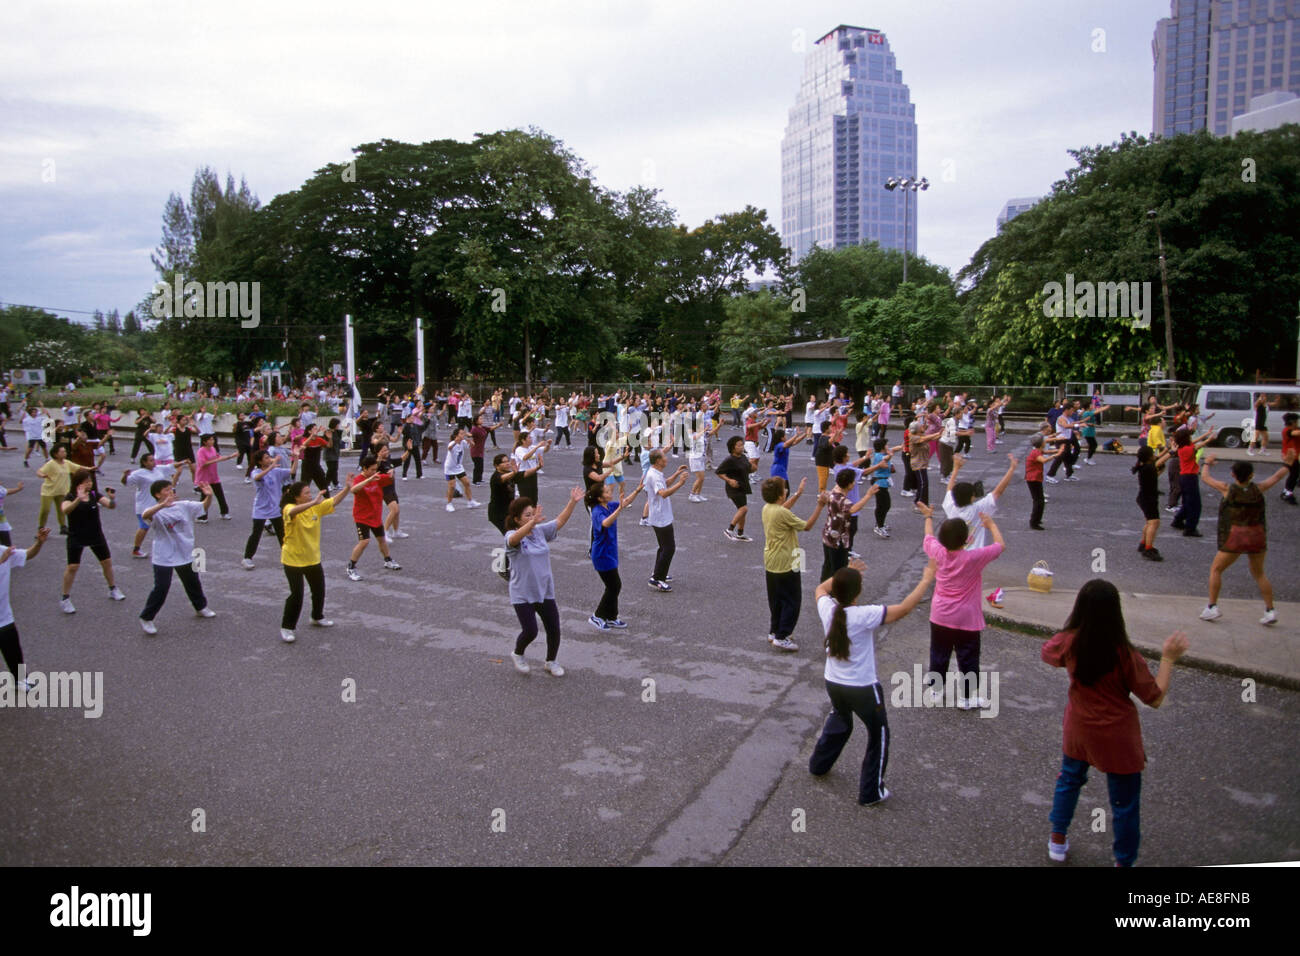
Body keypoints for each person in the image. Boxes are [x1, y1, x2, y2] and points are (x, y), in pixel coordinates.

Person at [1041, 580, 1189, 866]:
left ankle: (1057, 841)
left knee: (1069, 781)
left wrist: (1071, 629)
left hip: (1079, 729)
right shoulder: (1125, 654)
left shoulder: (1070, 641)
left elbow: (1048, 652)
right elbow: (1154, 698)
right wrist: (1169, 659)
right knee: (1125, 804)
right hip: (1117, 736)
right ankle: (1124, 860)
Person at [808, 556, 936, 805]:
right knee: (879, 734)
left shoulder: (828, 609)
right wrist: (926, 579)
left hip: (834, 683)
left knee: (840, 719)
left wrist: (844, 573)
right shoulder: (864, 614)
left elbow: (820, 589)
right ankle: (871, 792)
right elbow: (905, 608)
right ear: (858, 593)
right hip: (863, 688)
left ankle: (818, 765)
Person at [918, 503, 1004, 709]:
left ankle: (936, 690)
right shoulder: (973, 558)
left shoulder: (938, 552)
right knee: (968, 657)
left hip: (940, 615)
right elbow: (1000, 545)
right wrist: (991, 525)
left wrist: (928, 517)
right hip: (966, 618)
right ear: (966, 539)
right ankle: (967, 698)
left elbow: (928, 537)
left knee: (939, 653)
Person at [1198, 451, 1295, 626]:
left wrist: (1207, 463)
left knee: (1217, 569)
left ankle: (1212, 607)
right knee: (1259, 573)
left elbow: (1205, 478)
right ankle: (1270, 610)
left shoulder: (1228, 489)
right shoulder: (1258, 488)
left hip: (1235, 535)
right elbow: (1276, 477)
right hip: (1257, 533)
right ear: (1251, 475)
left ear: (1233, 474)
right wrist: (1288, 464)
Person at [278, 475, 371, 643]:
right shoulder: (289, 508)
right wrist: (313, 502)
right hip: (292, 559)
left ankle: (316, 616)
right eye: (306, 493)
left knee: (319, 589)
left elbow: (333, 502)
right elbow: (291, 512)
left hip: (312, 557)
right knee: (296, 594)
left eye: (309, 492)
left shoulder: (315, 509)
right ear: (296, 496)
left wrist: (347, 488)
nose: (309, 494)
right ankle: (287, 627)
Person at [504, 487, 584, 676]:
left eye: (533, 514)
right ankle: (518, 654)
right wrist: (530, 524)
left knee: (554, 628)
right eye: (527, 515)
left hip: (545, 589)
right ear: (517, 519)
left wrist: (572, 502)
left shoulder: (539, 531)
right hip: (522, 592)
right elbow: (515, 538)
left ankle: (551, 661)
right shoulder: (511, 537)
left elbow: (560, 521)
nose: (532, 517)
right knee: (531, 631)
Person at [138, 480, 217, 635]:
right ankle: (146, 618)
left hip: (185, 552)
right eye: (166, 490)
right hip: (164, 555)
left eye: (171, 489)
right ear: (157, 494)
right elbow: (145, 515)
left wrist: (209, 496)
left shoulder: (184, 505)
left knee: (193, 581)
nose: (171, 492)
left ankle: (200, 607)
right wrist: (162, 505)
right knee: (161, 587)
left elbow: (203, 507)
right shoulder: (155, 511)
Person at [760, 476, 826, 652]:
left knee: (776, 599)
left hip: (771, 559)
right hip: (789, 559)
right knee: (793, 600)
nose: (786, 491)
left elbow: (783, 510)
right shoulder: (781, 512)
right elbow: (807, 526)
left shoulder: (768, 508)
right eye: (785, 490)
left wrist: (798, 494)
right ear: (780, 495)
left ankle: (774, 631)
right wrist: (820, 505)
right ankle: (783, 636)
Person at [59, 471, 125, 612]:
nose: (89, 484)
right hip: (76, 536)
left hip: (95, 535)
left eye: (90, 481)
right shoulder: (70, 496)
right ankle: (65, 598)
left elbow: (110, 505)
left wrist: (112, 499)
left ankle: (112, 588)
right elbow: (65, 510)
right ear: (78, 483)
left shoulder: (95, 495)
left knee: (106, 562)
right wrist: (78, 499)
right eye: (86, 481)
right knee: (72, 567)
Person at [587, 479, 643, 630]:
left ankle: (611, 617)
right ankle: (597, 616)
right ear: (599, 498)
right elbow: (605, 523)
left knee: (614, 586)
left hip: (610, 553)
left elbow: (624, 502)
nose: (609, 492)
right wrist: (617, 511)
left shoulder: (609, 505)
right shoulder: (597, 511)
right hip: (601, 555)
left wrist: (637, 490)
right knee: (614, 586)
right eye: (606, 491)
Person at [0, 527, 52, 687]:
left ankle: (20, 679)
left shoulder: (3, 551)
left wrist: (39, 543)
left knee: (12, 647)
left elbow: (27, 555)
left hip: (3, 616)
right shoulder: (3, 555)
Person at [942, 453, 1018, 549]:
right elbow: (998, 492)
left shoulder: (951, 507)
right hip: (975, 555)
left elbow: (949, 489)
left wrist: (956, 468)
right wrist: (1012, 469)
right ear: (971, 497)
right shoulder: (978, 509)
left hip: (956, 556)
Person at [820, 468, 880, 581]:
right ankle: (835, 592)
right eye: (853, 481)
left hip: (828, 533)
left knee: (828, 564)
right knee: (839, 567)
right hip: (838, 539)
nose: (854, 483)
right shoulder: (842, 501)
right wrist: (868, 495)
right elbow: (853, 509)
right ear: (849, 485)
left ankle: (824, 588)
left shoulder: (833, 492)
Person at [346, 455, 401, 580]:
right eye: (371, 469)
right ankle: (351, 567)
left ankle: (388, 560)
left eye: (375, 469)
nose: (374, 472)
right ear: (364, 469)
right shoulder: (360, 479)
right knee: (364, 541)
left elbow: (389, 478)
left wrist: (392, 473)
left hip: (375, 515)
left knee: (382, 539)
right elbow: (354, 489)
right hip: (362, 516)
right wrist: (368, 480)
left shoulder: (377, 477)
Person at [242, 450, 297, 569]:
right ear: (260, 461)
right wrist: (271, 467)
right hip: (261, 508)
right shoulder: (255, 472)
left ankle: (289, 557)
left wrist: (296, 458)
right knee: (256, 534)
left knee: (282, 533)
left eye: (269, 457)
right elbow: (257, 477)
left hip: (275, 508)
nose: (269, 459)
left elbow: (292, 471)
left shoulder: (276, 471)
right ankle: (247, 558)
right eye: (266, 458)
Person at [643, 451, 689, 592]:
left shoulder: (655, 472)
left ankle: (658, 573)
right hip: (661, 517)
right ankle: (657, 578)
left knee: (663, 547)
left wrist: (676, 474)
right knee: (669, 548)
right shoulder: (654, 475)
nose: (666, 458)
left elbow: (665, 484)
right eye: (663, 457)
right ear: (657, 461)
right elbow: (663, 493)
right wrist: (680, 483)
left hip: (660, 515)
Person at [36, 443, 97, 534]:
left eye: (65, 451)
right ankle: (41, 528)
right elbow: (39, 471)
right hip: (49, 491)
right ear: (56, 454)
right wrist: (43, 475)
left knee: (61, 510)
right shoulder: (51, 464)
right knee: (45, 510)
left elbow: (78, 468)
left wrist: (89, 469)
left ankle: (63, 526)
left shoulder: (67, 463)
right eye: (62, 451)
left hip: (62, 491)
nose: (65, 453)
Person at [1169, 427, 1216, 537]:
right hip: (1190, 477)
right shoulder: (1187, 449)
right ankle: (1190, 528)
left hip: (1185, 477)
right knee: (1195, 505)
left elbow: (1195, 442)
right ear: (1186, 439)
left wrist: (1207, 434)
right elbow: (1198, 446)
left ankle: (1178, 521)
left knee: (1187, 502)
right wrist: (1209, 440)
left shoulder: (1183, 447)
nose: (1191, 438)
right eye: (1189, 436)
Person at [1132, 444, 1173, 561]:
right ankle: (1148, 549)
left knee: (1150, 522)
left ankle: (1143, 543)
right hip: (1148, 499)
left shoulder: (1145, 466)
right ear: (1149, 457)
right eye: (1152, 454)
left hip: (1145, 498)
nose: (1155, 456)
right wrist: (1171, 452)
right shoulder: (1148, 467)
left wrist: (1166, 450)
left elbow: (1157, 466)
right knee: (1154, 522)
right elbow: (1159, 461)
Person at [716, 435, 756, 541]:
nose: (742, 447)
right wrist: (729, 480)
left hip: (743, 486)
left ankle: (740, 534)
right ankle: (729, 529)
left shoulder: (743, 457)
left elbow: (748, 469)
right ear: (733, 447)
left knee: (742, 510)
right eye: (739, 445)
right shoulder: (729, 460)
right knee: (743, 509)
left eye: (742, 445)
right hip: (733, 488)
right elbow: (719, 472)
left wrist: (753, 466)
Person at [194, 434, 238, 521]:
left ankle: (224, 512)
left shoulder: (213, 449)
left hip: (213, 476)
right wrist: (217, 460)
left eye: (213, 440)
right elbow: (203, 463)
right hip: (204, 477)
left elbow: (218, 457)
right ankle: (201, 516)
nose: (212, 441)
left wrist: (230, 456)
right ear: (205, 442)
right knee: (204, 497)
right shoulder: (201, 451)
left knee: (220, 495)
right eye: (210, 440)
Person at [1025, 434, 1063, 531]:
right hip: (1033, 479)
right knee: (1039, 501)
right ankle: (1034, 522)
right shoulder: (1036, 453)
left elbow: (1046, 452)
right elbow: (1044, 460)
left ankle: (1036, 519)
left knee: (1039, 500)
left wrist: (1057, 451)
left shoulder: (1037, 451)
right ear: (1041, 443)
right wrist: (1056, 455)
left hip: (1035, 478)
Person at [1281, 413, 1300, 504]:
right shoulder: (1287, 431)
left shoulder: (1295, 429)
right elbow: (1295, 433)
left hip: (1295, 456)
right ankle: (1288, 494)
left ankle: (1286, 491)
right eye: (1296, 421)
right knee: (1293, 475)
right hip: (1290, 456)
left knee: (1294, 474)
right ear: (1291, 422)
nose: (1297, 423)